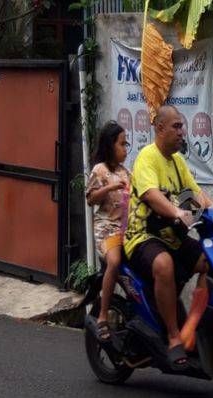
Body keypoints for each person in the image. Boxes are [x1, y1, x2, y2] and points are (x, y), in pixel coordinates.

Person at [124, 105, 213, 370]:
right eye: (176, 126)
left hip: (170, 236)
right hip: (142, 236)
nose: (181, 132)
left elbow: (197, 194)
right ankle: (174, 338)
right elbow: (151, 194)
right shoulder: (147, 158)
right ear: (159, 128)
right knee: (164, 264)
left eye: (182, 127)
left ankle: (192, 328)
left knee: (210, 263)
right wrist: (176, 210)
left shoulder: (177, 163)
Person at [86, 122, 131, 342]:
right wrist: (110, 187)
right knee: (114, 261)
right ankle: (103, 316)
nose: (126, 148)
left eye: (126, 144)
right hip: (106, 230)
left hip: (126, 231)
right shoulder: (100, 170)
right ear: (110, 145)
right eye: (122, 144)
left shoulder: (125, 172)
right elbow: (90, 199)